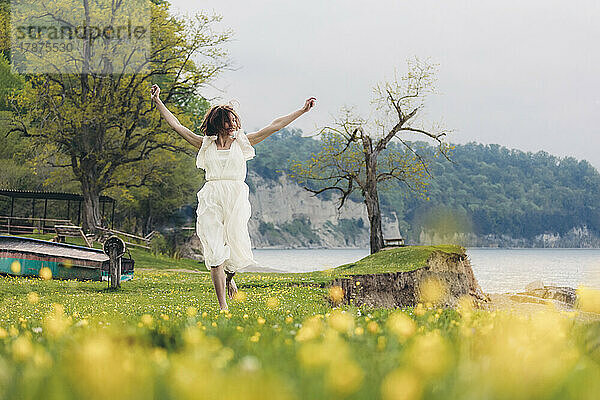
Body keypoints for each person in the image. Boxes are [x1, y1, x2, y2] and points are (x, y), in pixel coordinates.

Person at [150, 83, 316, 310]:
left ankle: (230, 277)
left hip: (236, 196)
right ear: (218, 124)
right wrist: (158, 101)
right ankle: (223, 306)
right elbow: (177, 126)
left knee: (236, 246)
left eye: (234, 121)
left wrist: (302, 110)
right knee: (215, 251)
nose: (232, 125)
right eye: (228, 122)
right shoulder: (205, 144)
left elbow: (274, 126)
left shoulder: (243, 142)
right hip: (212, 196)